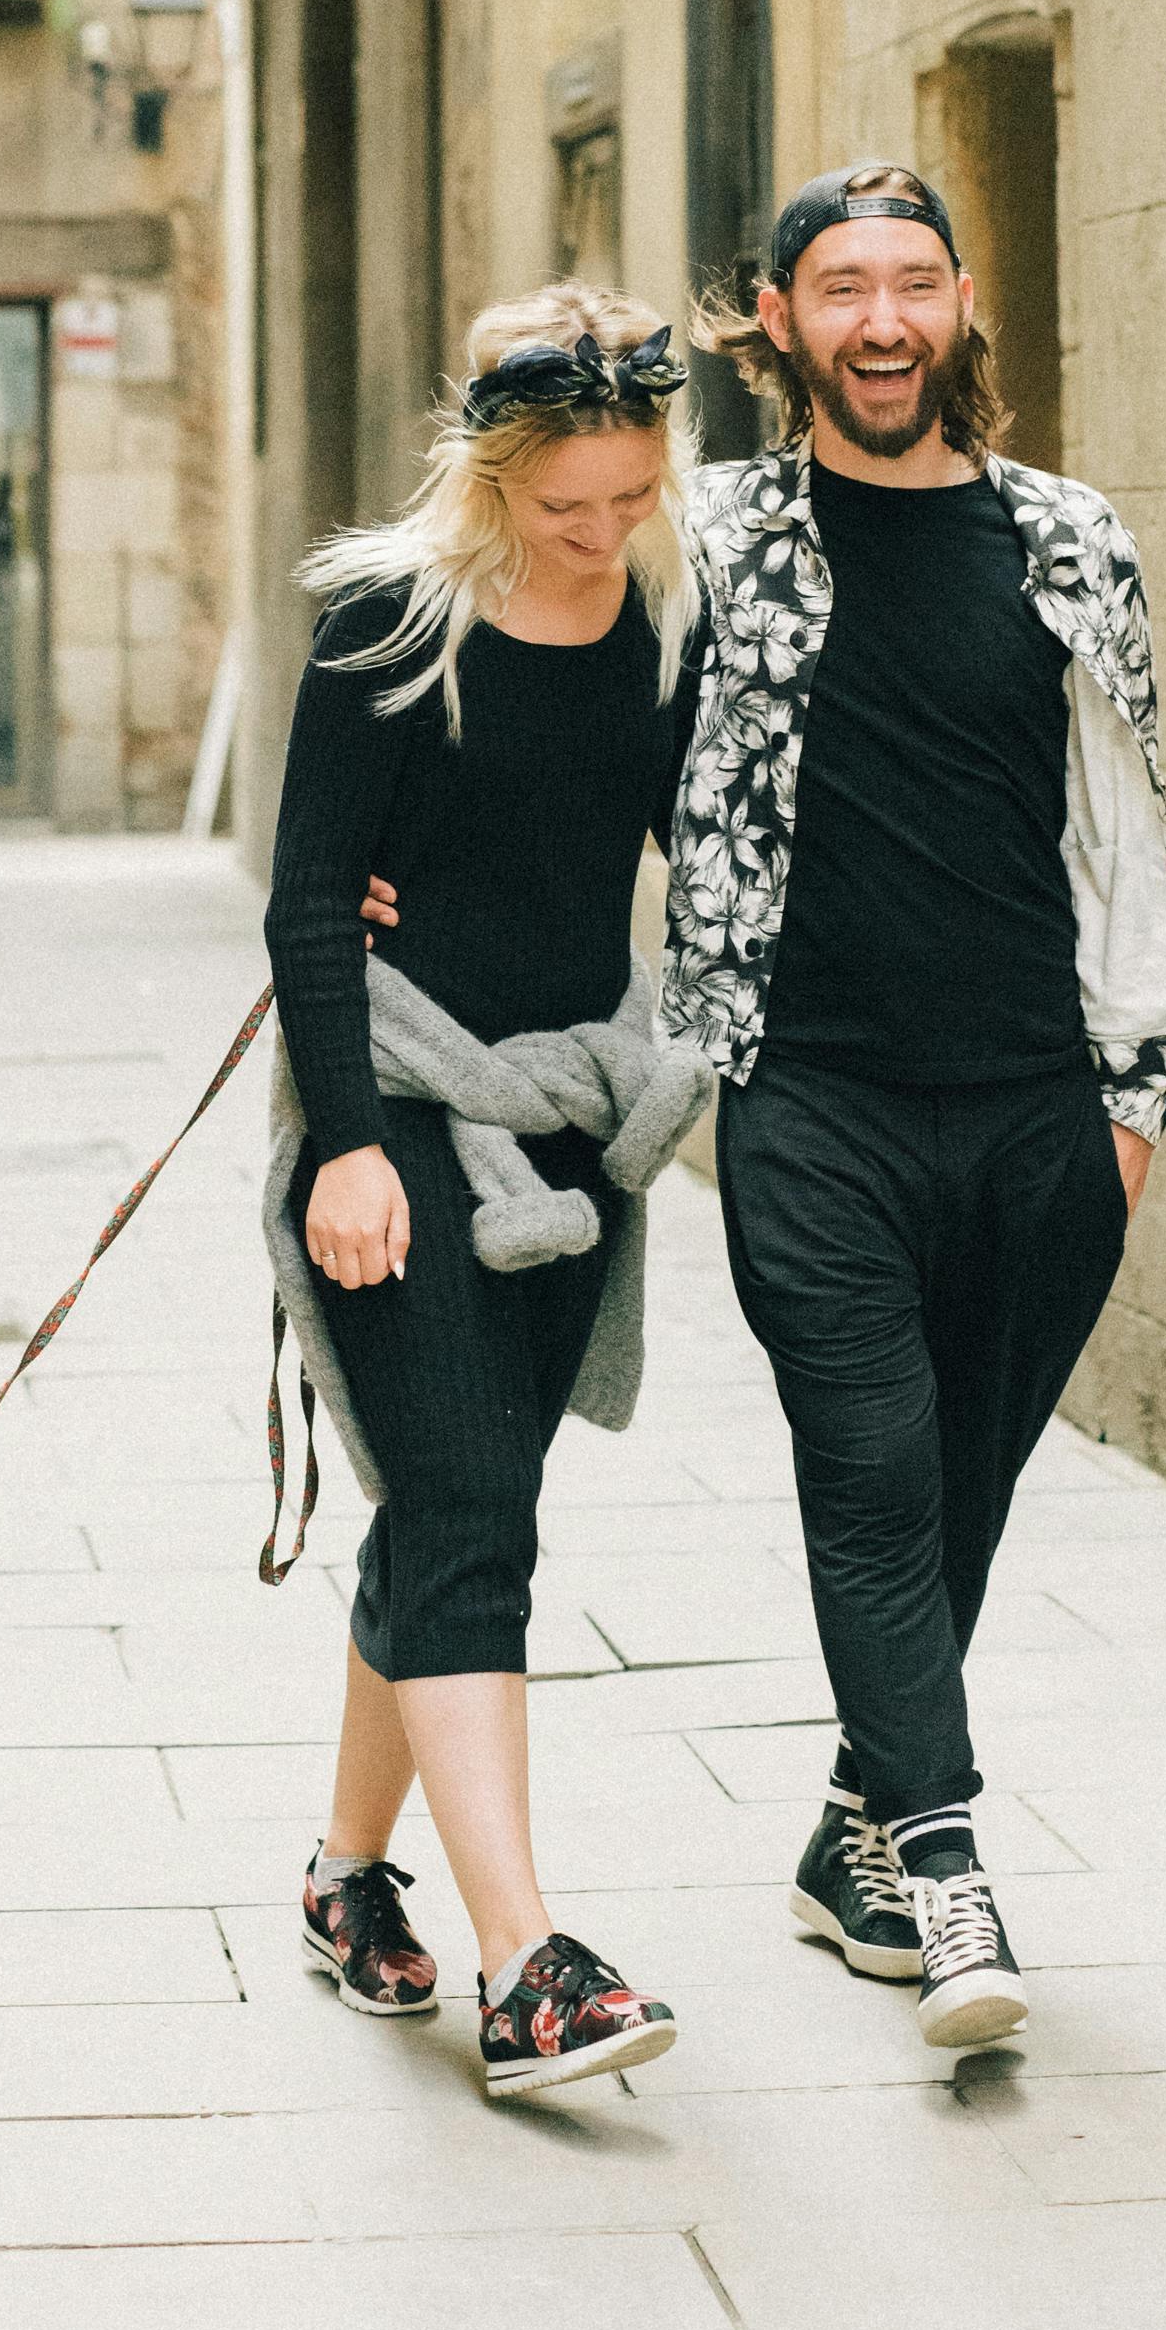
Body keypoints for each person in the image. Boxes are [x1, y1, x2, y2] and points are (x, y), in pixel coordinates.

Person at [668, 163, 1166, 2058]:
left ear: (963, 306)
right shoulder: (710, 535)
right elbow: (562, 714)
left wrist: (1136, 1101)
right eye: (843, 289)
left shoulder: (1069, 538)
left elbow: (1130, 825)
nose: (884, 321)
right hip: (808, 1097)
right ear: (774, 319)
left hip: (1038, 1112)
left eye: (915, 285)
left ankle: (847, 1845)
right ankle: (947, 1862)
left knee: (964, 1486)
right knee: (875, 1470)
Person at [263, 285, 711, 2102]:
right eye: (564, 507)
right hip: (402, 1122)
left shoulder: (666, 621)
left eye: (629, 497)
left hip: (570, 1126)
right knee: (472, 1517)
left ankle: (346, 1879)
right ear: (491, 477)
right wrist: (349, 1147)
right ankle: (528, 1963)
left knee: (457, 1512)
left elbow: (710, 845)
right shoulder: (398, 623)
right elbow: (309, 902)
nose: (599, 533)